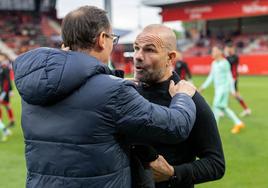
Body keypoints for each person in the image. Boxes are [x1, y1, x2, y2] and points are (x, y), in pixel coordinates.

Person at [13, 6, 197, 188]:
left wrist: (115, 82)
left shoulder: (35, 87)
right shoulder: (113, 92)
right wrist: (182, 97)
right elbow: (175, 126)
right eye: (112, 38)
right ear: (102, 39)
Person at [131, 24, 225, 188]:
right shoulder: (127, 94)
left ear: (170, 58)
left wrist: (174, 173)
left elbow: (216, 164)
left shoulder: (190, 99)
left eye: (149, 50)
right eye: (136, 48)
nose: (138, 56)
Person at [200, 46, 245, 134]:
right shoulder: (214, 63)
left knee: (216, 105)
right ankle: (238, 123)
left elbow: (229, 77)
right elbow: (211, 77)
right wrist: (203, 87)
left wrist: (232, 91)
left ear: (219, 52)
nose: (212, 53)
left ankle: (213, 129)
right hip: (218, 90)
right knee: (223, 107)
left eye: (214, 51)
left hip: (223, 89)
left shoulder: (225, 63)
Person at [224, 44, 251, 117]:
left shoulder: (235, 57)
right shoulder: (229, 57)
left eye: (229, 48)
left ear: (232, 49)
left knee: (234, 94)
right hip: (230, 78)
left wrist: (226, 55)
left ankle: (246, 109)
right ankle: (246, 109)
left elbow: (229, 62)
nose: (228, 50)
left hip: (233, 78)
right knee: (229, 93)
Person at [0, 53, 13, 142]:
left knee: (7, 105)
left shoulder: (5, 67)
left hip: (4, 91)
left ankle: (5, 130)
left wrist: (9, 91)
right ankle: (6, 130)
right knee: (7, 105)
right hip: (3, 91)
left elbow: (7, 80)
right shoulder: (2, 67)